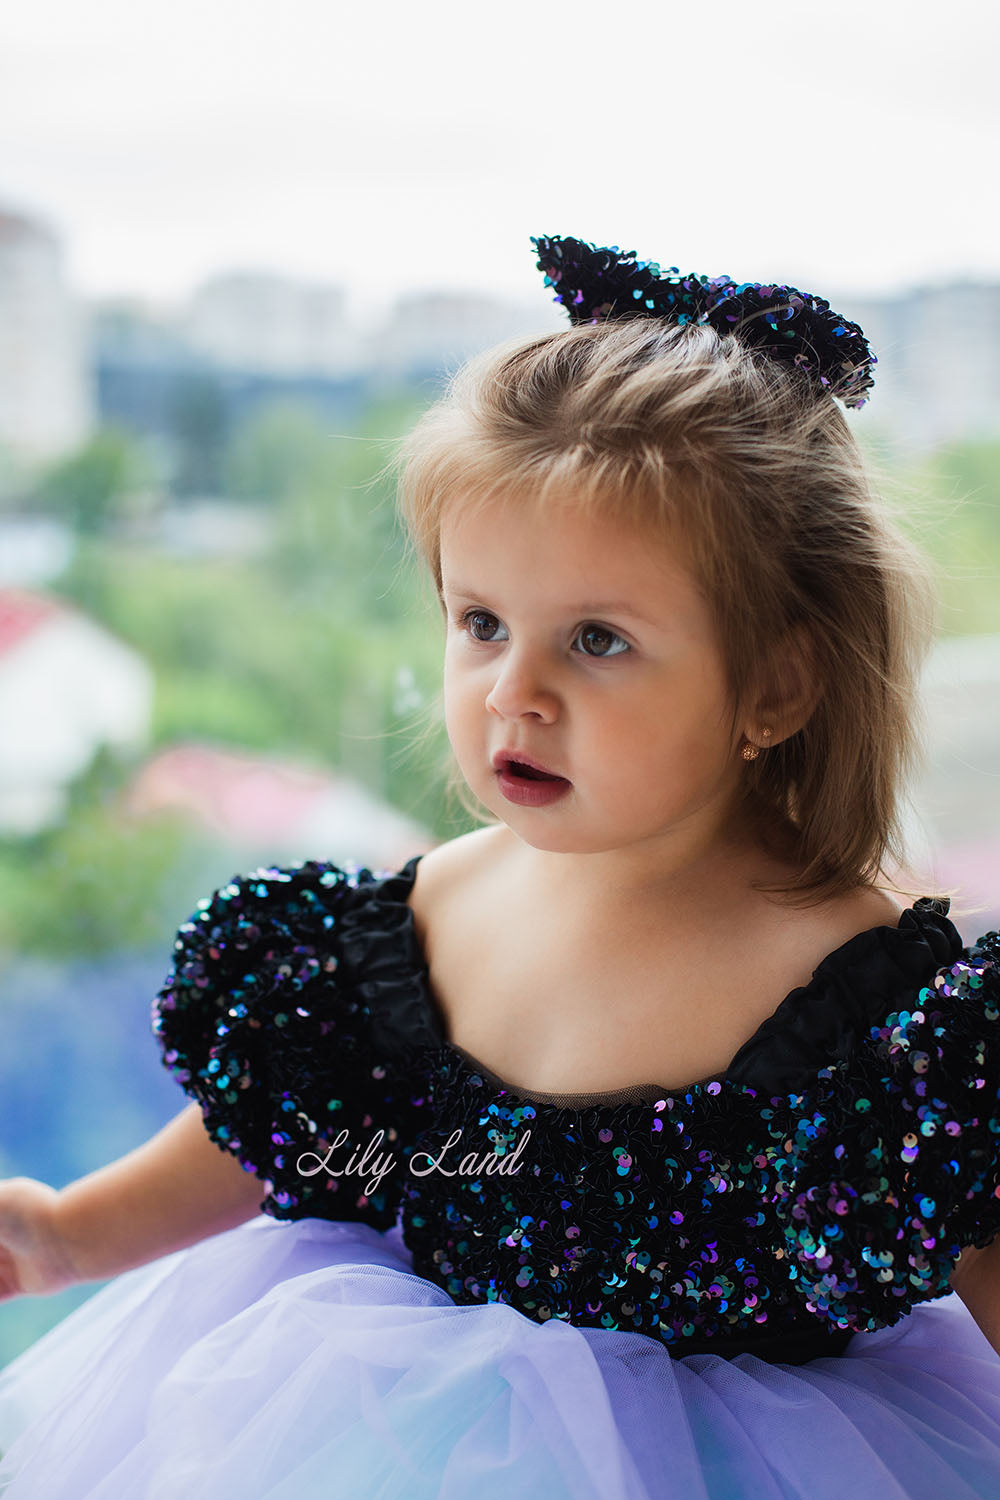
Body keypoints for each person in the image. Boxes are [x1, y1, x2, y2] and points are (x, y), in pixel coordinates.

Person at [0, 233, 999, 1500]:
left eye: (596, 639)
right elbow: (274, 1141)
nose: (512, 693)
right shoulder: (415, 923)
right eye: (480, 624)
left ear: (778, 683)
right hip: (392, 1430)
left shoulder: (882, 1008)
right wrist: (65, 1231)